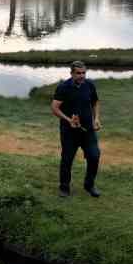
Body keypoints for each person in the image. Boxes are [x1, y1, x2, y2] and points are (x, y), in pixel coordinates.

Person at [50, 61, 101, 197]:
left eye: (84, 73)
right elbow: (54, 108)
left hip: (88, 130)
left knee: (94, 156)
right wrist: (68, 120)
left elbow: (95, 102)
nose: (81, 76)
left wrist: (96, 119)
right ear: (71, 73)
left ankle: (89, 185)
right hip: (69, 132)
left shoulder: (89, 85)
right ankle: (64, 188)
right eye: (78, 73)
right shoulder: (63, 87)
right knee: (67, 159)